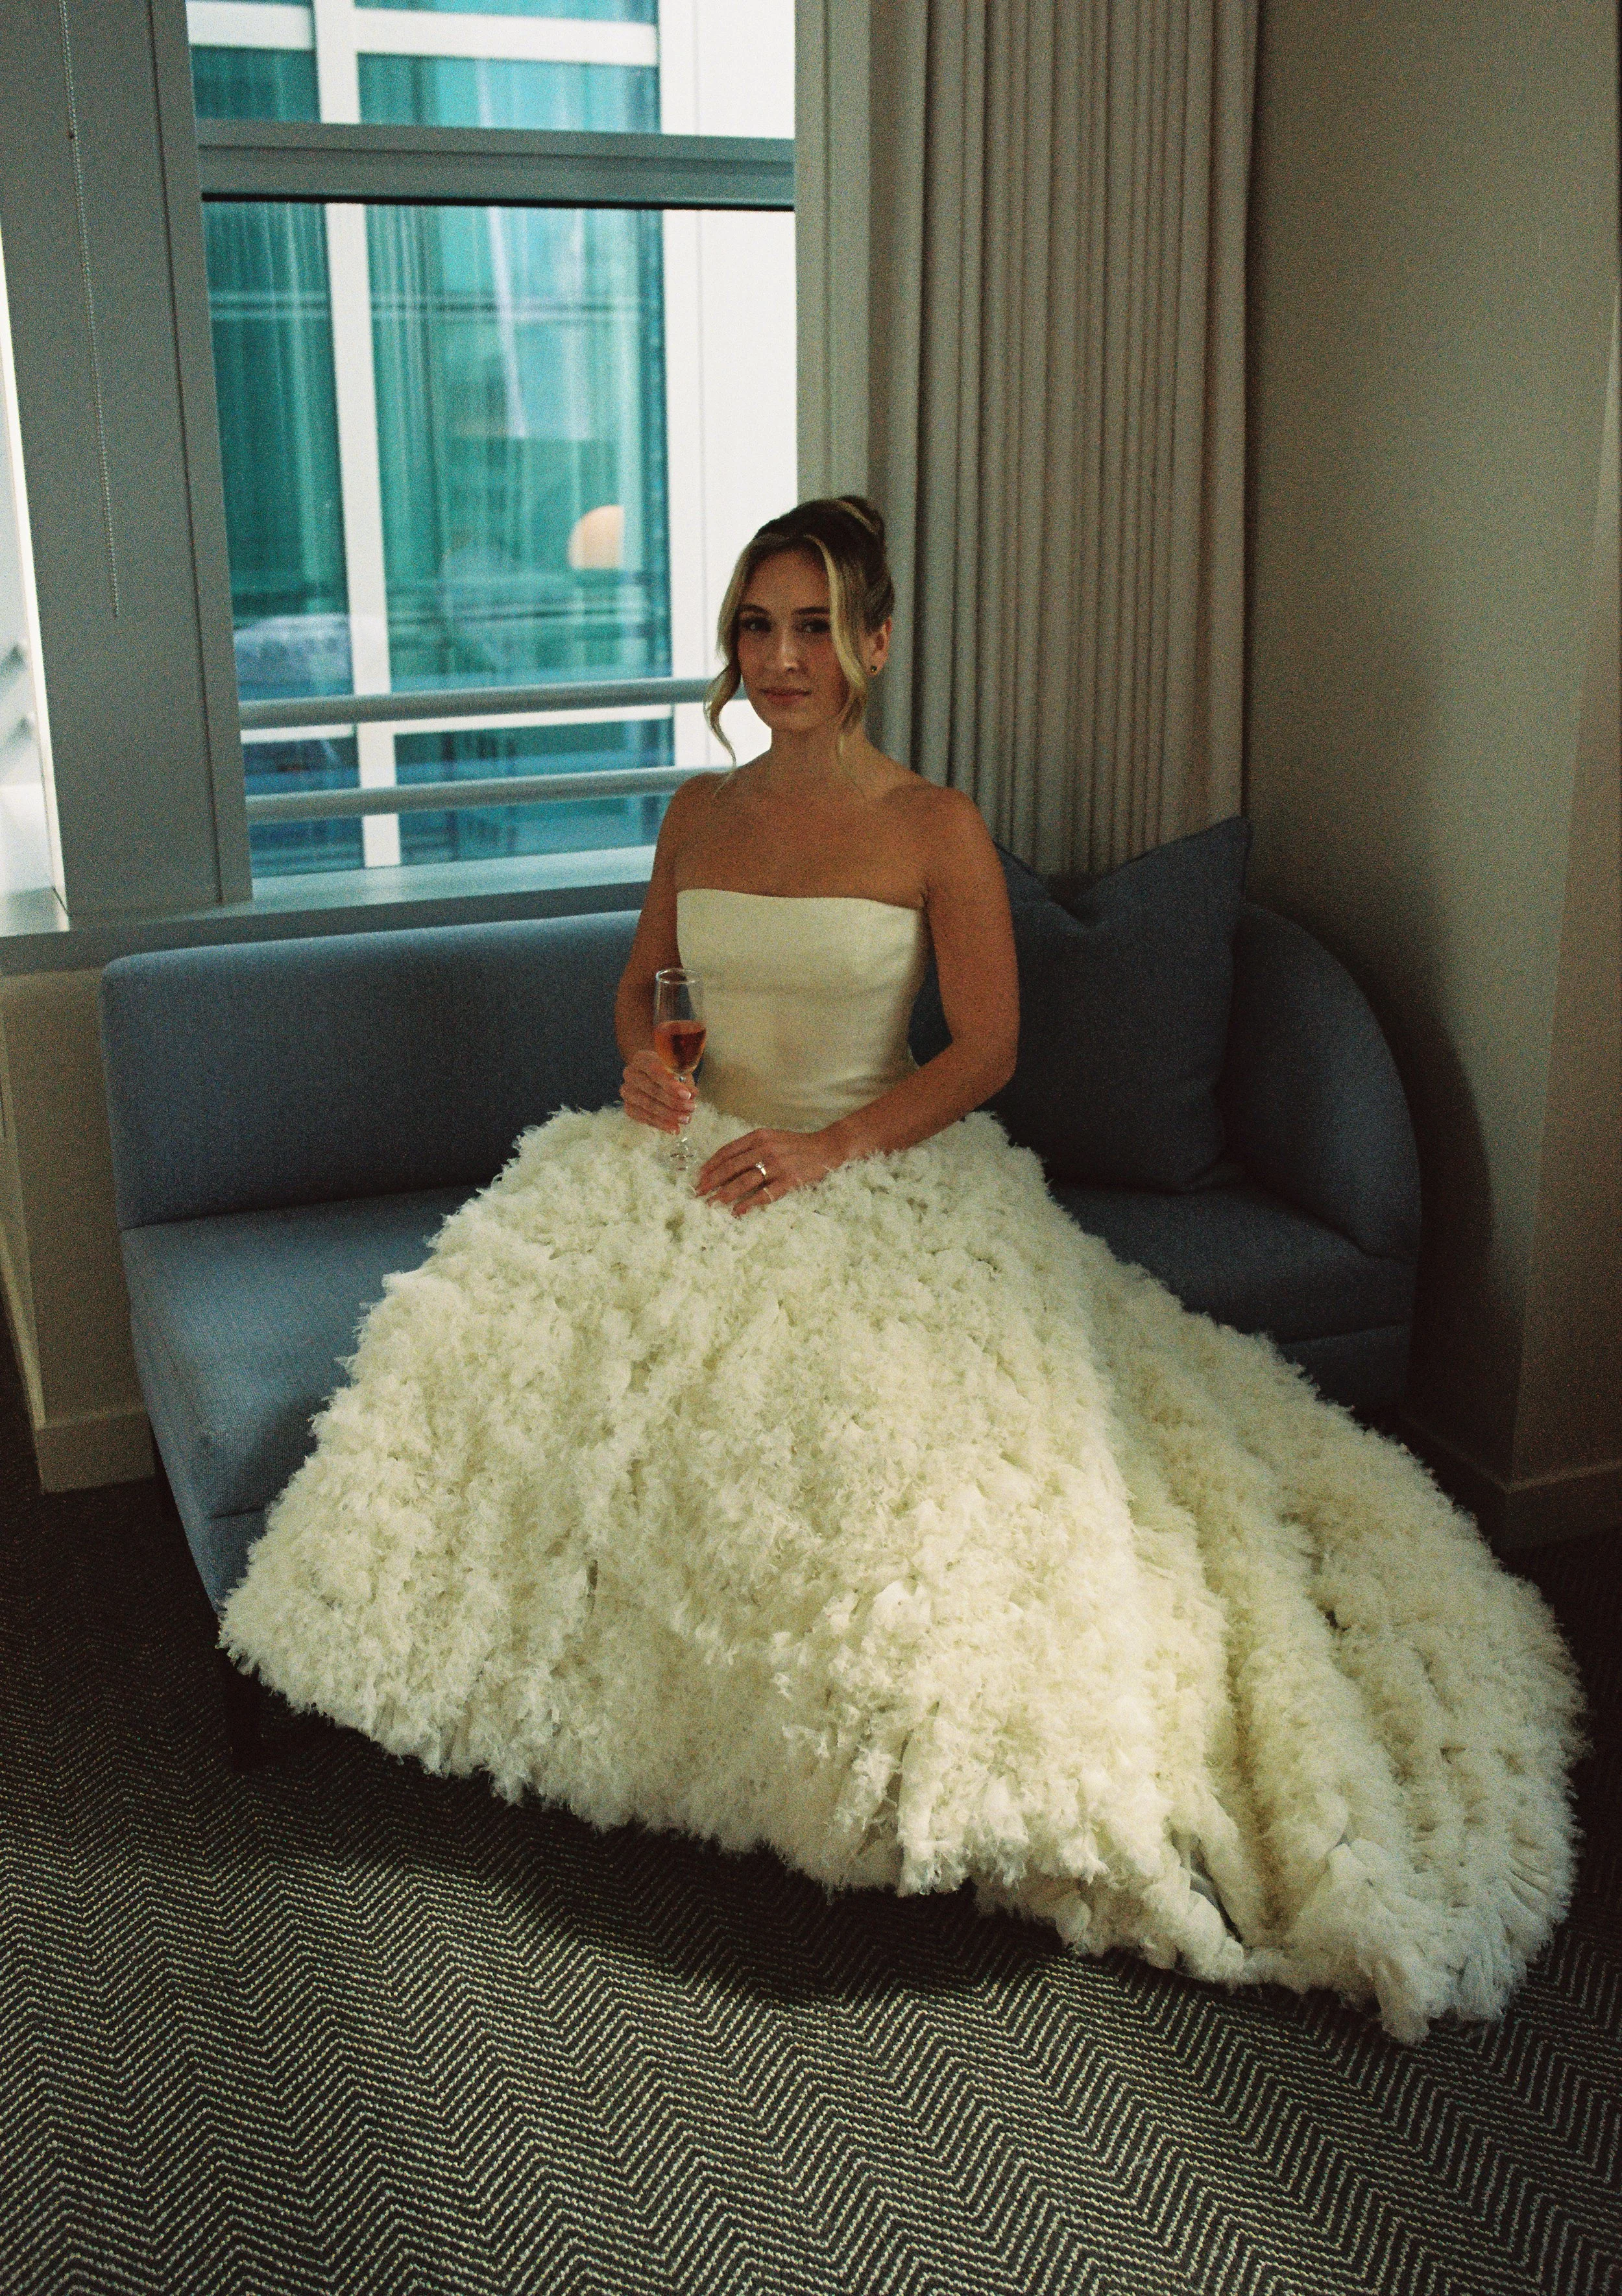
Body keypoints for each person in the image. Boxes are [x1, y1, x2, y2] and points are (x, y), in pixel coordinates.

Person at [224, 497, 1581, 2044]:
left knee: (868, 1454)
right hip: (692, 1151)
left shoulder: (933, 824)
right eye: (755, 625)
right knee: (494, 1363)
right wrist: (649, 1066)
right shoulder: (697, 811)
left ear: (875, 640)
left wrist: (826, 1150)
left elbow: (987, 1046)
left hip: (860, 1157)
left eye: (813, 626)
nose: (782, 657)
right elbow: (648, 982)